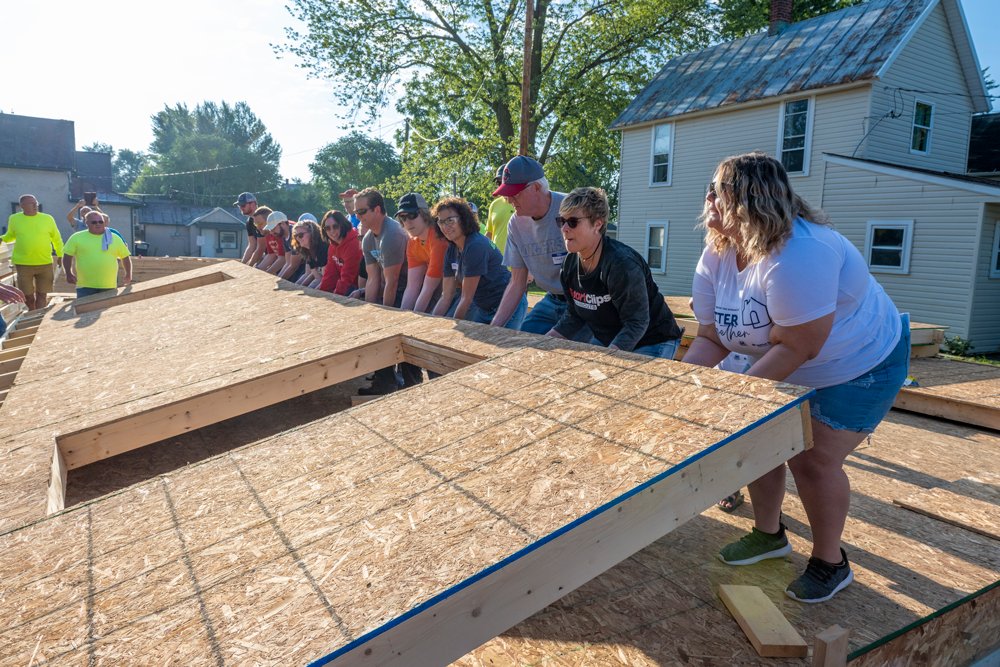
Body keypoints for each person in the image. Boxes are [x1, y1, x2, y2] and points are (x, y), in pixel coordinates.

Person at [683, 151, 908, 604]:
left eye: (716, 191)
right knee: (762, 440)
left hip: (858, 363)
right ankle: (769, 536)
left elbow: (800, 346)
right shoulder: (719, 250)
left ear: (746, 201)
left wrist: (738, 404)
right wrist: (676, 392)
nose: (706, 199)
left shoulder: (800, 252)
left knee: (810, 459)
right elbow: (711, 337)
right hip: (784, 355)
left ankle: (831, 562)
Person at [544, 187, 682, 357]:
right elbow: (574, 314)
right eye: (561, 221)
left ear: (598, 224)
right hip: (611, 338)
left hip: (654, 338)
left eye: (572, 221)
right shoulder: (569, 264)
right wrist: (542, 343)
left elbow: (637, 322)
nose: (564, 228)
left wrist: (608, 359)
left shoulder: (621, 264)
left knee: (612, 379)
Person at [489, 156, 591, 342]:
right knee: (522, 347)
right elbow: (516, 283)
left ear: (536, 188)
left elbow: (592, 275)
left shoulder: (571, 211)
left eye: (515, 193)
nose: (509, 199)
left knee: (576, 360)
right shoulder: (516, 224)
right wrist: (493, 329)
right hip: (551, 299)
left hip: (584, 301)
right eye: (506, 193)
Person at [350, 187, 420, 393]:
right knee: (372, 327)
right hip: (393, 288)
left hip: (410, 291)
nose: (357, 216)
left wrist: (383, 318)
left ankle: (412, 385)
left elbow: (393, 281)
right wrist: (371, 312)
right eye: (356, 212)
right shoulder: (369, 239)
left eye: (361, 211)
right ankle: (386, 383)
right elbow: (373, 279)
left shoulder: (393, 235)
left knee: (399, 335)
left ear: (377, 210)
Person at [432, 197, 526, 329]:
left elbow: (466, 299)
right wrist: (430, 325)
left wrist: (453, 331)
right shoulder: (451, 249)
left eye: (450, 220)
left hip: (509, 305)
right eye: (441, 222)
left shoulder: (475, 246)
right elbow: (446, 297)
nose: (445, 227)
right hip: (484, 308)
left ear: (464, 219)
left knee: (500, 347)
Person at [2, 195, 64, 311]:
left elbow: (56, 238)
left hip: (45, 262)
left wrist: (60, 254)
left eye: (36, 203)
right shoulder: (14, 219)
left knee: (42, 294)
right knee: (27, 295)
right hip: (23, 263)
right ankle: (32, 312)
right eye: (31, 203)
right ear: (22, 206)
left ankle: (38, 317)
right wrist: (2, 239)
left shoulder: (48, 219)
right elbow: (11, 235)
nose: (36, 205)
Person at [62, 210, 132, 298]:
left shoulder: (115, 238)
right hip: (85, 285)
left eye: (101, 222)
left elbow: (125, 257)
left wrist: (128, 274)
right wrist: (68, 273)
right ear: (86, 223)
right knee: (85, 310)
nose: (98, 224)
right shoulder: (76, 237)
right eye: (94, 222)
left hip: (108, 285)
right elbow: (67, 256)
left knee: (108, 311)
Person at [398, 193, 449, 313]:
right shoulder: (413, 242)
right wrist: (401, 318)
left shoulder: (438, 239)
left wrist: (411, 321)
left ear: (425, 213)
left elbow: (428, 289)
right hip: (447, 288)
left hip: (471, 289)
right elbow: (412, 287)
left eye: (412, 215)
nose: (407, 221)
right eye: (403, 217)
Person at [318, 211, 362, 296]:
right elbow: (330, 273)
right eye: (327, 228)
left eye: (335, 226)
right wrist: (321, 295)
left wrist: (335, 298)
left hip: (361, 287)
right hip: (348, 283)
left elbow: (347, 277)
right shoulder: (333, 244)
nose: (332, 231)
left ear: (342, 225)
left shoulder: (354, 244)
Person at [262, 212, 305, 282]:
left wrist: (279, 281)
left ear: (283, 224)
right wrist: (278, 279)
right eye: (270, 230)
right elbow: (288, 263)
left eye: (273, 228)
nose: (271, 232)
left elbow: (294, 265)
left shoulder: (294, 235)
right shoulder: (285, 238)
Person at [340, 188, 367, 287]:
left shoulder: (362, 217)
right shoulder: (345, 219)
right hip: (347, 260)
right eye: (344, 202)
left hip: (363, 259)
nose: (346, 205)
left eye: (349, 202)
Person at [485, 164, 515, 254]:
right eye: (498, 183)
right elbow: (489, 234)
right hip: (497, 263)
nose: (500, 186)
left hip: (519, 264)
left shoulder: (522, 202)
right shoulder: (494, 204)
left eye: (503, 182)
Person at [291, 219, 328, 289]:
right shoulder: (309, 250)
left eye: (300, 235)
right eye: (296, 236)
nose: (298, 238)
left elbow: (326, 279)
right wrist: (297, 289)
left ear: (312, 233)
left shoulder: (323, 248)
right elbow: (318, 278)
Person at [236, 193, 266, 266]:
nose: (240, 208)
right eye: (239, 205)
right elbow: (252, 246)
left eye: (243, 205)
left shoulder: (261, 219)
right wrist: (242, 265)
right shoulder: (249, 221)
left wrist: (249, 266)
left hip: (275, 255)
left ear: (252, 204)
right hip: (268, 255)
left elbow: (261, 248)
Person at [252, 207, 282, 272]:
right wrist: (258, 269)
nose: (257, 227)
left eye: (259, 223)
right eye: (255, 224)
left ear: (269, 220)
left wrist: (266, 274)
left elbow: (283, 259)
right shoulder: (267, 232)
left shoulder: (280, 231)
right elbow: (271, 254)